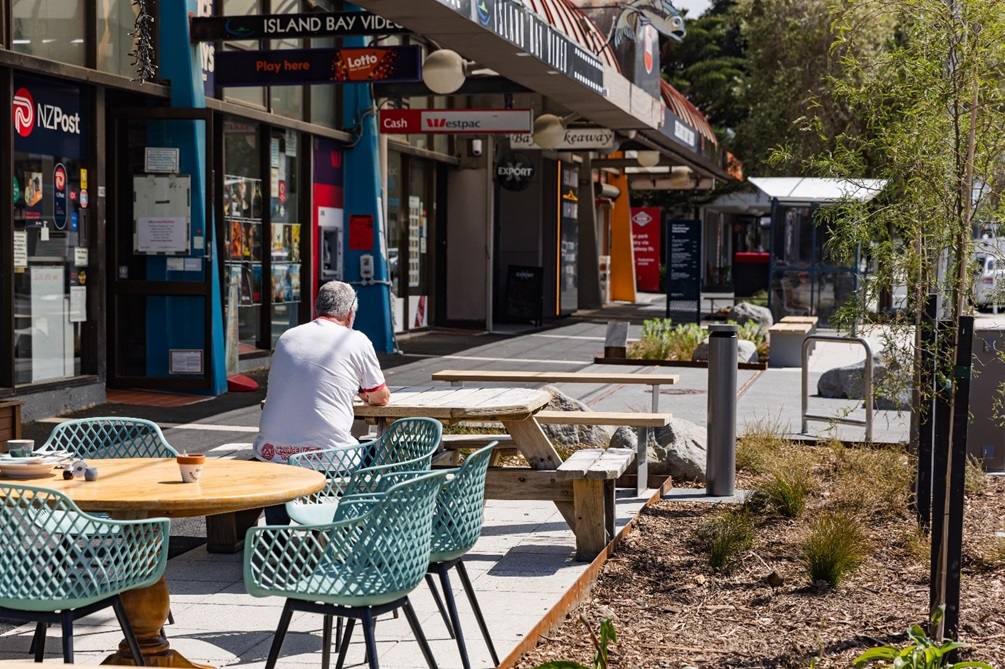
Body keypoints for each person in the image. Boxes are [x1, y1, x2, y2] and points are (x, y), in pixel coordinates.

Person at [253, 280, 390, 523]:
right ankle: (349, 529)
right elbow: (380, 397)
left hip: (270, 452)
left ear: (316, 310)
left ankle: (278, 537)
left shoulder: (287, 337)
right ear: (350, 314)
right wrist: (359, 390)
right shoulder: (356, 340)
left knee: (282, 463)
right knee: (381, 455)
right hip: (328, 458)